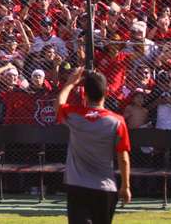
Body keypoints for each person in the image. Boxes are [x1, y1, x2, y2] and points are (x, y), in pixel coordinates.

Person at [57, 67, 132, 224]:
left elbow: (59, 104)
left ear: (84, 93)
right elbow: (123, 157)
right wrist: (125, 186)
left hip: (77, 185)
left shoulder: (74, 115)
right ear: (107, 92)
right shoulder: (117, 121)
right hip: (105, 187)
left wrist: (70, 83)